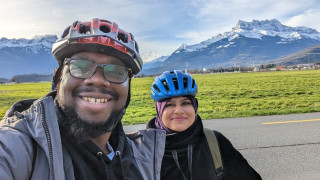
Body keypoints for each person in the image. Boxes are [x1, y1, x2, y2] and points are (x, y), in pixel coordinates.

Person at [0, 18, 165, 180]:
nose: (98, 80)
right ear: (58, 78)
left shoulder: (140, 155)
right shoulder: (19, 148)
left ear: (128, 87)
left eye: (116, 71)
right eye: (80, 66)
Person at [147, 70, 262, 180]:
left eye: (185, 103)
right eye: (170, 104)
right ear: (159, 110)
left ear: (194, 106)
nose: (178, 110)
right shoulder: (142, 149)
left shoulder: (214, 142)